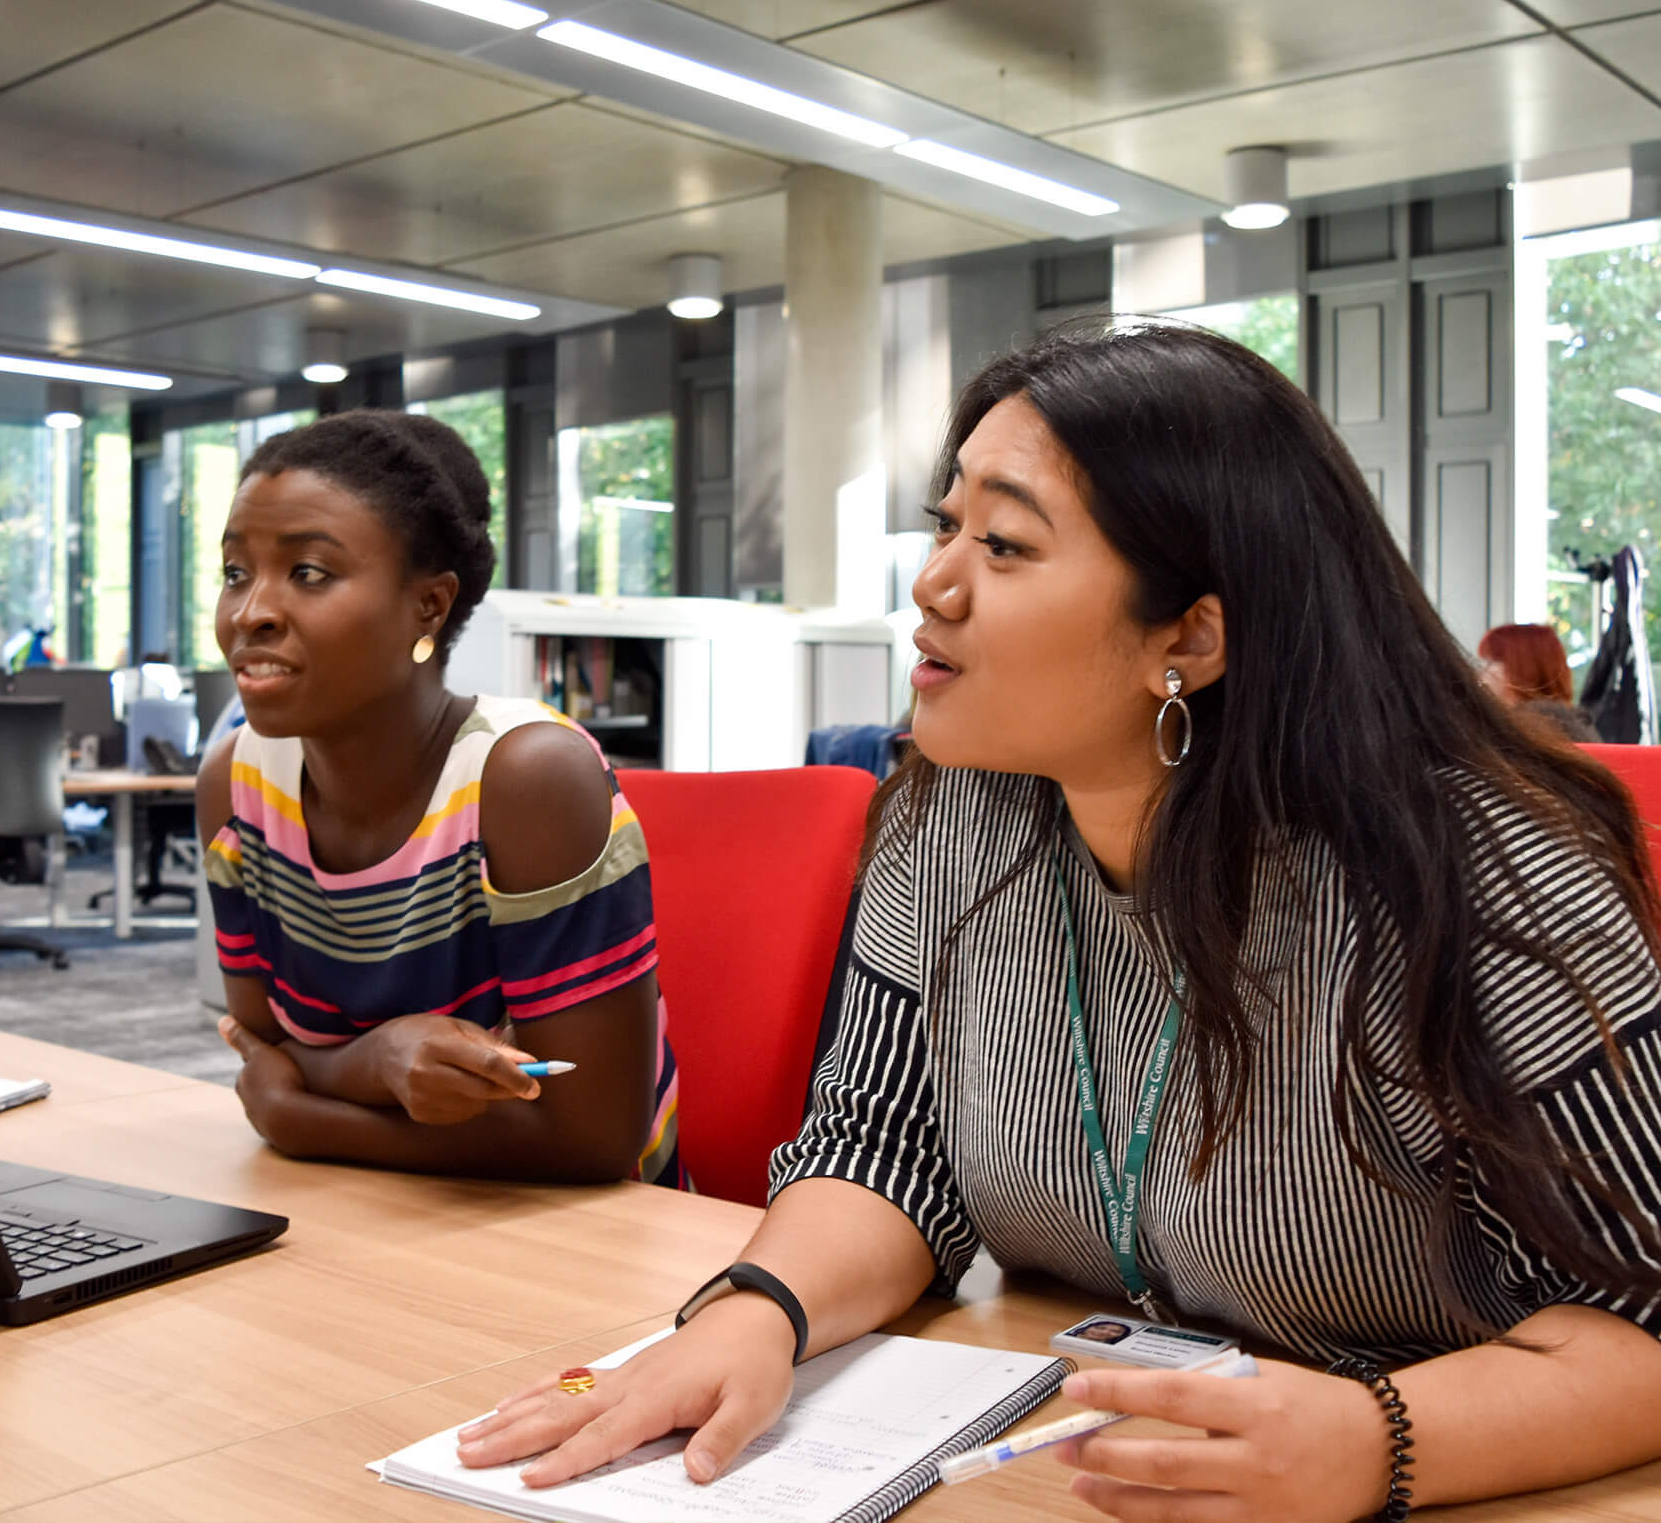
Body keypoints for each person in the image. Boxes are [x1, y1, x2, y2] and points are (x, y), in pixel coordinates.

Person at [456, 322, 1661, 1518]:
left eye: (1006, 543)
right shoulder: (950, 812)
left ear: (1188, 636)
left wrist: (1376, 1443)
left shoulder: (1478, 878)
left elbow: (1640, 1325)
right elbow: (882, 1153)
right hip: (1086, 1453)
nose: (932, 581)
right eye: (944, 525)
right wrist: (756, 1308)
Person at [197, 409, 680, 1186]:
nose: (251, 611)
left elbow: (596, 1134)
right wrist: (375, 1064)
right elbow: (260, 1053)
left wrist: (303, 1117)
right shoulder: (238, 785)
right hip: (361, 1209)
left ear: (429, 605)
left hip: (585, 1239)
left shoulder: (527, 779)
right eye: (234, 572)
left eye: (309, 573)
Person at [1478, 622, 1601, 742]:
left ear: (1522, 668)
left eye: (1490, 662)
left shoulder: (1523, 734)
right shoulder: (1576, 726)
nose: (1481, 673)